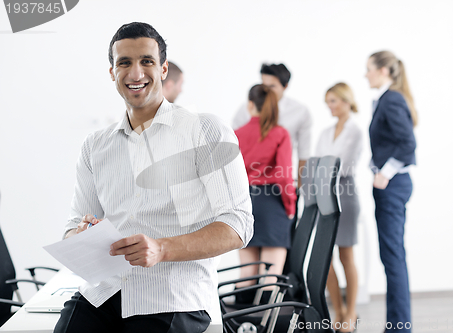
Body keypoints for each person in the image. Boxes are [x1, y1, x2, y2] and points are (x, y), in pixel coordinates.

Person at [54, 22, 253, 333]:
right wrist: (79, 235)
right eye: (125, 63)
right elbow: (72, 227)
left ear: (163, 69)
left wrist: (161, 248)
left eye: (146, 61)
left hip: (173, 298)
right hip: (103, 294)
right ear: (112, 73)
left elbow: (238, 224)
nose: (135, 74)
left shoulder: (206, 131)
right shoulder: (95, 146)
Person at [365, 50, 417, 332]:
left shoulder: (391, 99)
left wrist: (384, 174)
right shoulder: (385, 99)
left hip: (394, 186)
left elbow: (408, 144)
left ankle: (399, 327)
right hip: (392, 185)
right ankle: (397, 325)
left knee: (393, 256)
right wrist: (374, 165)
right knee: (392, 255)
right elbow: (390, 142)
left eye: (369, 69)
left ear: (383, 70)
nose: (366, 74)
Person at [234, 84, 296, 301]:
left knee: (247, 273)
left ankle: (241, 325)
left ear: (250, 105)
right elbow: (284, 175)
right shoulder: (280, 134)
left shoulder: (237, 134)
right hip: (271, 203)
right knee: (271, 275)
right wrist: (290, 206)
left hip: (244, 203)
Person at [315, 83, 362, 332]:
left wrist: (324, 167)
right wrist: (324, 168)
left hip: (345, 194)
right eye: (327, 102)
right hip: (325, 194)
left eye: (333, 101)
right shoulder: (325, 132)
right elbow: (318, 163)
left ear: (346, 101)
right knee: (326, 259)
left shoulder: (355, 131)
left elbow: (342, 167)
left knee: (347, 256)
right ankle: (339, 310)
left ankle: (351, 312)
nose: (330, 107)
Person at [232, 64, 312, 186]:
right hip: (245, 183)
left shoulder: (300, 112)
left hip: (281, 184)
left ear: (285, 86)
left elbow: (304, 153)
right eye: (264, 86)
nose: (267, 91)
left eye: (272, 86)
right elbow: (234, 147)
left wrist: (300, 189)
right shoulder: (246, 109)